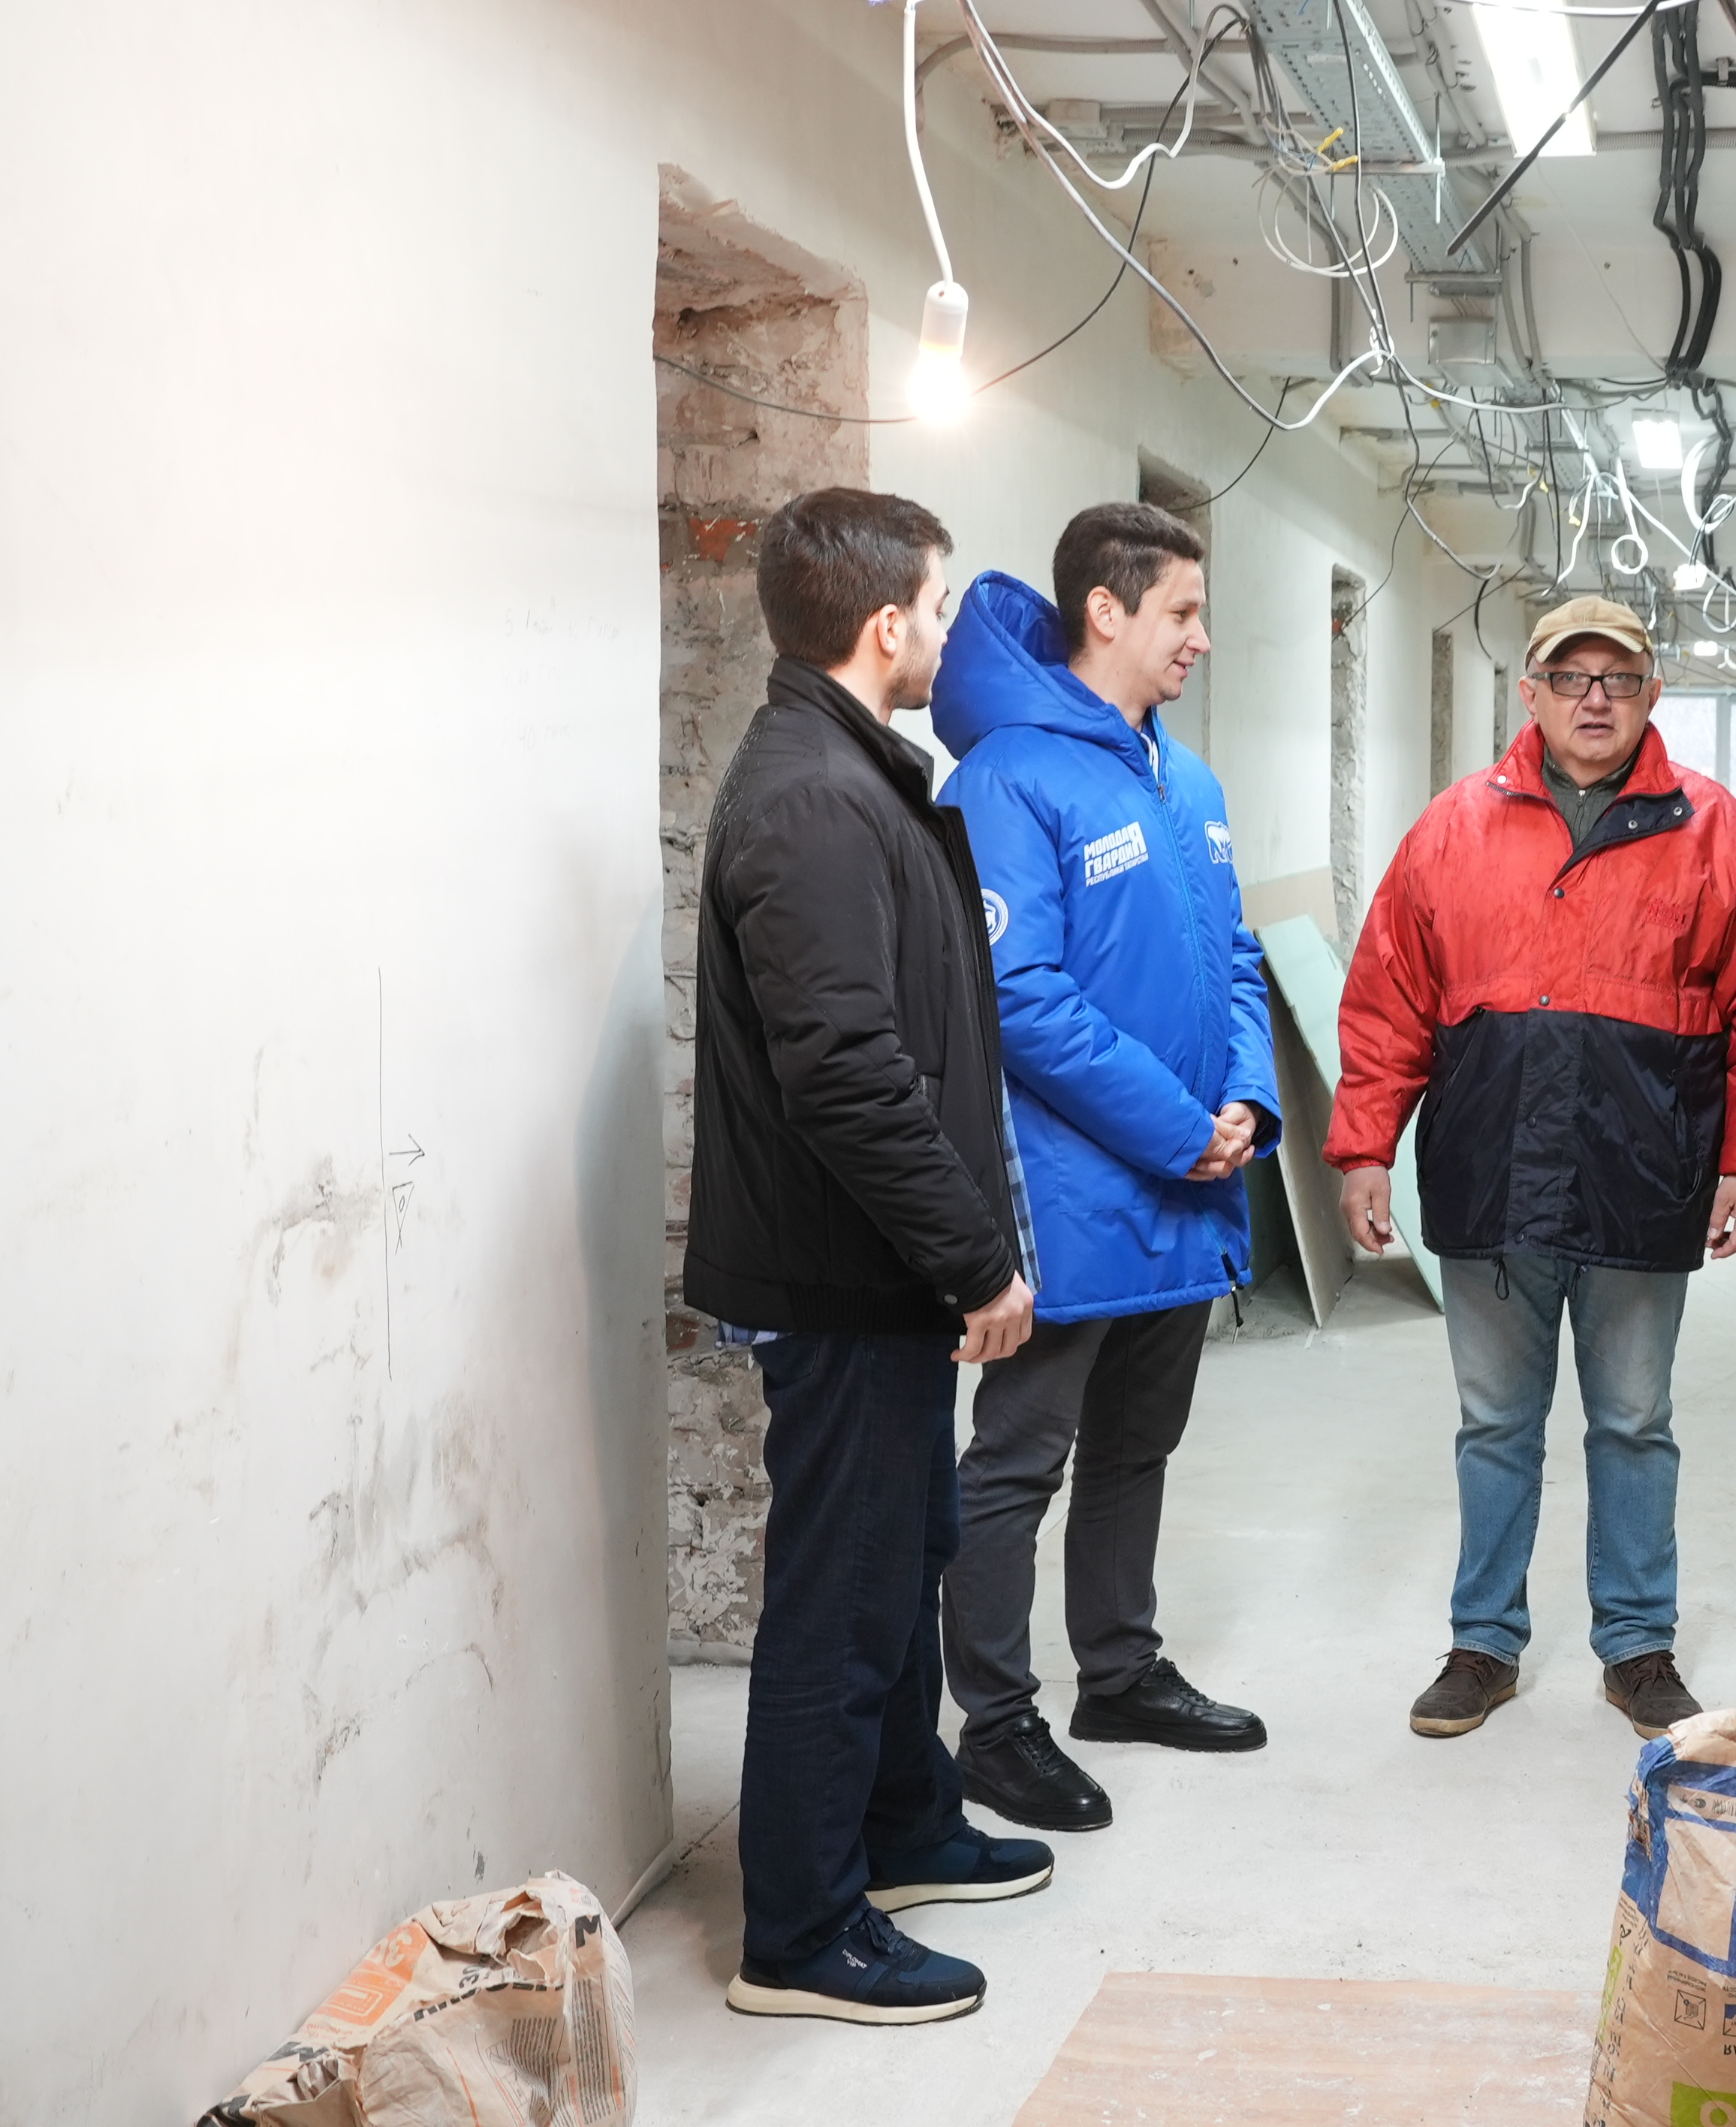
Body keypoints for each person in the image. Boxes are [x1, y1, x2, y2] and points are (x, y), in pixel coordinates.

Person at [685, 487, 1053, 2027]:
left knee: (903, 1562)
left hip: (882, 1271)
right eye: (943, 608)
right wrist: (976, 1261)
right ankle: (802, 1931)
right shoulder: (811, 801)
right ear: (886, 623)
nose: (952, 635)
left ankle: (902, 1828)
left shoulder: (852, 772)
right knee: (842, 1596)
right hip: (847, 1279)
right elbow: (844, 1071)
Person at [1329, 594, 1736, 1742]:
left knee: (1634, 1422)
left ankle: (1638, 1646)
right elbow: (1388, 1000)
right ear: (1532, 692)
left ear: (1652, 694)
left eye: (1619, 677)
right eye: (1571, 676)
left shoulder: (1721, 835)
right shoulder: (1452, 831)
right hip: (1493, 1176)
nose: (1594, 697)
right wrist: (1363, 1147)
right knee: (1494, 1423)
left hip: (1644, 1178)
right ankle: (1483, 1643)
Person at [924, 502, 1279, 1839]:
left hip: (1189, 1183)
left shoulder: (1190, 783)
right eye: (1182, 612)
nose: (1200, 638)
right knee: (1018, 1458)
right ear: (1107, 611)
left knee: (1140, 1444)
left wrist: (1244, 1098)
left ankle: (1120, 1676)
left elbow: (1237, 957)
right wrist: (1178, 1126)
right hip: (1070, 1193)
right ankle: (996, 1723)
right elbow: (1015, 994)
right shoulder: (1008, 779)